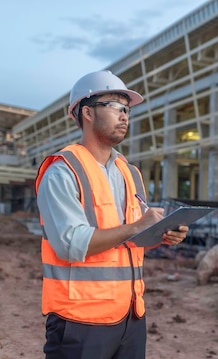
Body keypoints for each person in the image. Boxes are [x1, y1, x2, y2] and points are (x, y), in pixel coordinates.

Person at [35, 70, 189, 359]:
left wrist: (164, 233)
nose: (124, 116)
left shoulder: (129, 173)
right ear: (87, 113)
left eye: (127, 109)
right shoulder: (62, 171)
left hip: (130, 316)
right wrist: (136, 227)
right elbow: (70, 244)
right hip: (80, 319)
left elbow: (136, 237)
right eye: (116, 107)